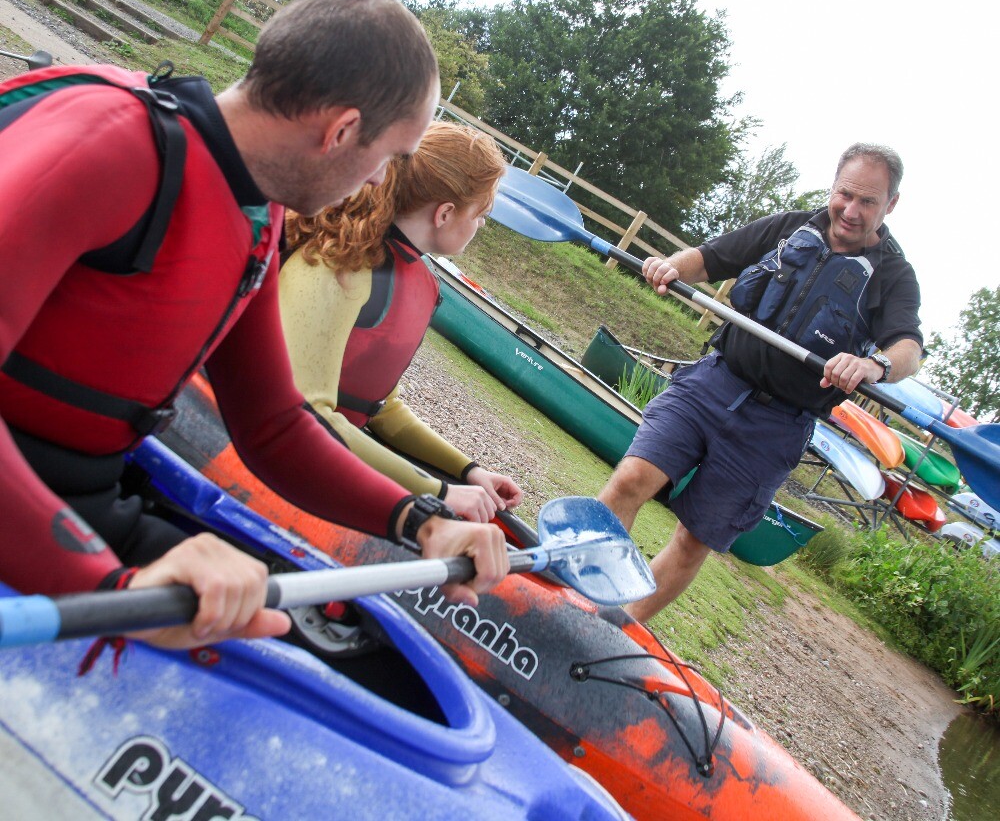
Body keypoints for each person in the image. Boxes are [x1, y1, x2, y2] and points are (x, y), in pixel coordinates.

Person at [0, 0, 508, 651]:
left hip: (77, 496)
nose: (378, 182)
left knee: (319, 652)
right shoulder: (111, 146)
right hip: (34, 504)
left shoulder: (256, 211)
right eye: (388, 158)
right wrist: (108, 591)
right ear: (342, 131)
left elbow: (272, 425)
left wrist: (420, 521)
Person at [598, 143, 923, 623]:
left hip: (777, 426)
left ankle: (613, 629)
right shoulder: (789, 228)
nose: (851, 211)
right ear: (832, 186)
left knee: (694, 540)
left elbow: (908, 349)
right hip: (713, 382)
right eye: (845, 195)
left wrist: (874, 365)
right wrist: (673, 266)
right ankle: (577, 593)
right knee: (630, 479)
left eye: (868, 202)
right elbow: (709, 258)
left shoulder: (895, 277)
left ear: (890, 205)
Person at [280, 121, 523, 522]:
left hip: (330, 456)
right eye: (482, 214)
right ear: (445, 213)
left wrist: (468, 471)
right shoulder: (341, 263)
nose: (481, 225)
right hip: (284, 456)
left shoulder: (411, 275)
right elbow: (307, 414)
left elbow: (379, 407)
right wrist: (438, 491)